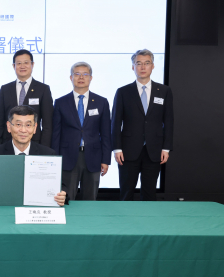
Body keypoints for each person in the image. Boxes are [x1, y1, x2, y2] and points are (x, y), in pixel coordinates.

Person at [111, 49, 174, 201]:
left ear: (153, 66)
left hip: (154, 150)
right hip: (128, 150)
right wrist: (117, 148)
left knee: (149, 193)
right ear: (133, 67)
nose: (143, 67)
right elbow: (115, 122)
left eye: (147, 63)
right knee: (126, 193)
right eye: (138, 63)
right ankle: (125, 223)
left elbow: (169, 120)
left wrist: (166, 148)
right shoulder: (123, 92)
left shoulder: (164, 91)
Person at [0, 105, 67, 206]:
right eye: (18, 124)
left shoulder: (48, 154)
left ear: (35, 128)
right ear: (9, 126)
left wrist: (63, 195)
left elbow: (61, 186)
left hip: (36, 210)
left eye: (28, 125)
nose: (23, 130)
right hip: (4, 208)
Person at [51, 62, 111, 200]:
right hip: (68, 156)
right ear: (71, 78)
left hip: (93, 156)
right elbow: (56, 134)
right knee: (67, 198)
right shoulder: (61, 102)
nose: (81, 77)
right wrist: (54, 159)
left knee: (90, 198)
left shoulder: (101, 102)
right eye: (77, 74)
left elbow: (106, 133)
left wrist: (106, 159)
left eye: (85, 74)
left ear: (91, 78)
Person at [0, 49, 53, 147]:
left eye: (26, 63)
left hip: (35, 143)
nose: (22, 66)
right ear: (14, 66)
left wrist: (44, 147)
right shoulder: (5, 89)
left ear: (32, 64)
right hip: (8, 143)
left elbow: (48, 124)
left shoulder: (43, 89)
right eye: (19, 63)